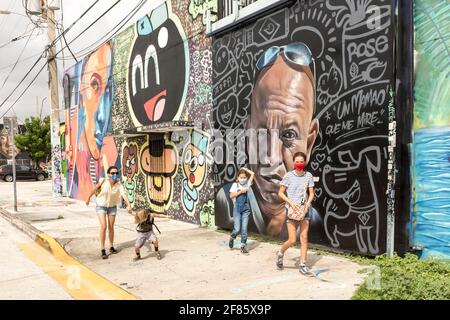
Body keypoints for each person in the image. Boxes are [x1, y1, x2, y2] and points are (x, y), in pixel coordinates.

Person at [276, 152, 315, 276]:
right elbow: (280, 193)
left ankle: (303, 265)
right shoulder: (288, 176)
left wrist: (308, 203)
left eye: (301, 161)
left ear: (304, 162)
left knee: (304, 238)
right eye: (297, 161)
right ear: (294, 162)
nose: (299, 164)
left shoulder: (308, 176)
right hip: (292, 210)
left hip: (304, 210)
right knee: (292, 240)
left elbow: (312, 193)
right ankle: (281, 253)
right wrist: (291, 203)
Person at [86, 165, 132, 259]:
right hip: (101, 205)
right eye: (112, 173)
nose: (115, 174)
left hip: (112, 207)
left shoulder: (119, 184)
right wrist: (88, 198)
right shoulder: (103, 181)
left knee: (111, 227)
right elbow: (95, 189)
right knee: (103, 226)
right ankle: (102, 249)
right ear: (108, 174)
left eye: (116, 173)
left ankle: (111, 246)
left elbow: (123, 194)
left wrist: (128, 204)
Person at [228, 167, 255, 254]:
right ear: (237, 178)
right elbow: (231, 196)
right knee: (237, 229)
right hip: (237, 209)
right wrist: (241, 192)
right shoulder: (235, 185)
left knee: (244, 229)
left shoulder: (247, 184)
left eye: (244, 177)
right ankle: (232, 237)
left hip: (245, 209)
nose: (243, 179)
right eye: (241, 177)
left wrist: (245, 169)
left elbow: (253, 174)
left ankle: (243, 245)